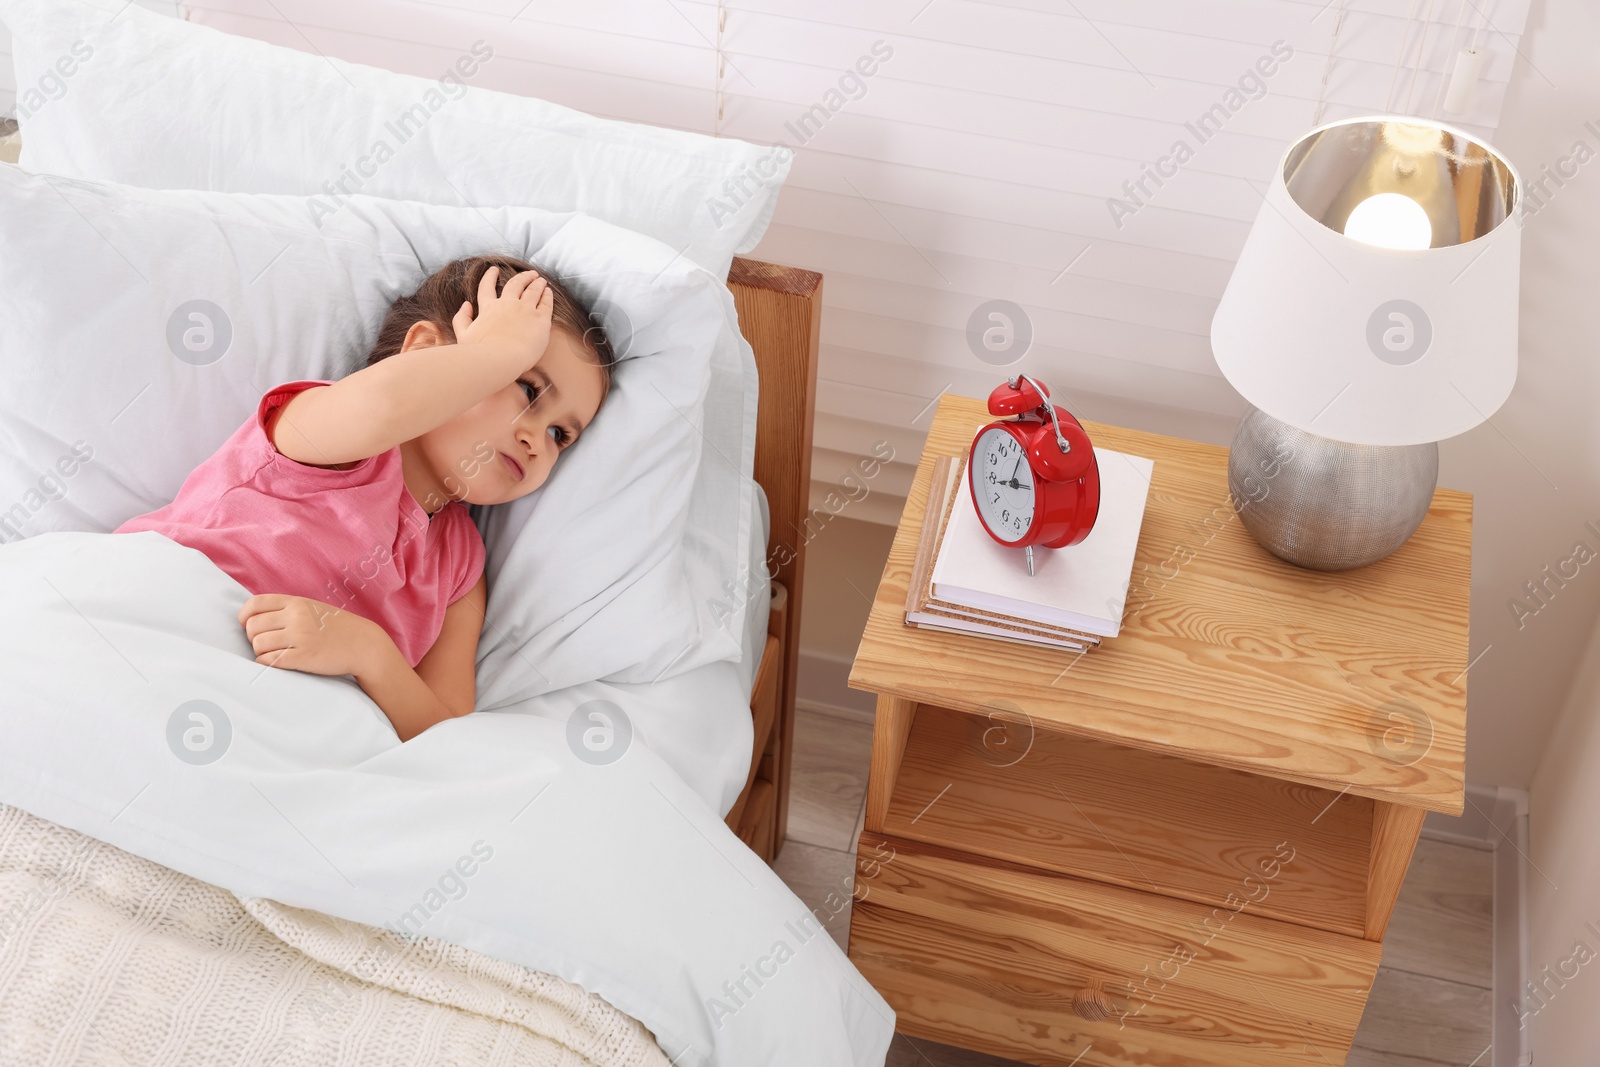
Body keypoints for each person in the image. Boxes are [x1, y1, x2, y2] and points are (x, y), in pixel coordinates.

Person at [114, 255, 614, 741]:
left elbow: (446, 732)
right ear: (424, 352)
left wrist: (371, 654)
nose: (536, 439)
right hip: (161, 631)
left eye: (560, 434)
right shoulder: (329, 433)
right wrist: (497, 354)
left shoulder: (461, 566)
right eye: (528, 387)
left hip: (268, 722)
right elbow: (383, 405)